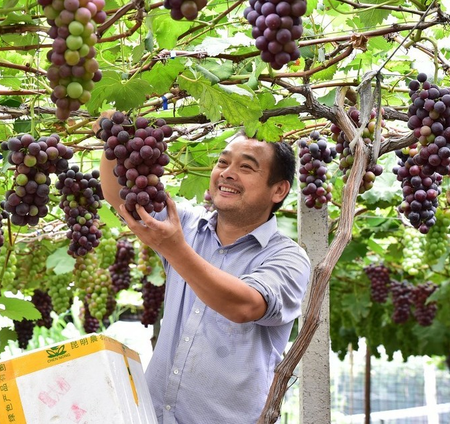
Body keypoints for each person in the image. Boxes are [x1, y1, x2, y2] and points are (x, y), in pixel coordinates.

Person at [99, 129, 311, 423]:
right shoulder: (185, 224)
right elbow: (118, 195)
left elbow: (244, 306)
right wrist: (114, 134)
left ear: (279, 190)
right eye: (223, 163)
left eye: (246, 167)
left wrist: (176, 250)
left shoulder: (288, 258)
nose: (228, 173)